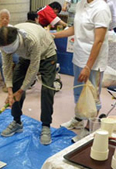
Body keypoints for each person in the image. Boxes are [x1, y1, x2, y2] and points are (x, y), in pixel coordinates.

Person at [53, 0, 111, 142]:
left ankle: (88, 128)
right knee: (78, 91)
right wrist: (52, 35)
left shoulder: (101, 9)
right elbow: (75, 29)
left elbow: (98, 41)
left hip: (94, 62)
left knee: (92, 95)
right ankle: (78, 119)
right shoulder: (81, 4)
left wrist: (88, 67)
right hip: (79, 56)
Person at [0, 24, 57, 145]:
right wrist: (10, 91)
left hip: (47, 54)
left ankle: (46, 125)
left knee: (47, 90)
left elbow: (33, 69)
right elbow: (7, 67)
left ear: (17, 41)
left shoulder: (30, 40)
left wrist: (21, 91)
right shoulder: (4, 43)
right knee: (16, 84)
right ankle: (17, 122)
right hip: (26, 56)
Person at [0, 9, 19, 92]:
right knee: (4, 61)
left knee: (21, 60)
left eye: (7, 18)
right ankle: (7, 83)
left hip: (12, 51)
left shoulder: (12, 28)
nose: (5, 20)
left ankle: (19, 81)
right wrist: (2, 34)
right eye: (2, 18)